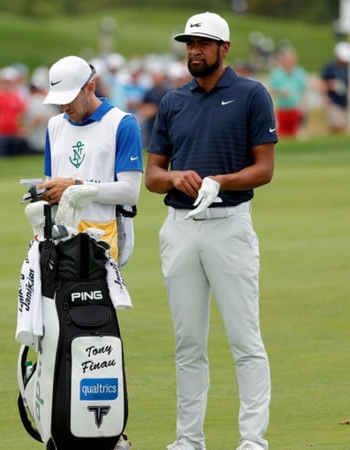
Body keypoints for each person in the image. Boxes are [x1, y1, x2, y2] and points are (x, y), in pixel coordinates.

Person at [145, 12, 276, 450]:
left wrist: (220, 180)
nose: (194, 51)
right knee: (187, 344)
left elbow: (264, 169)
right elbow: (152, 175)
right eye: (189, 43)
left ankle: (253, 440)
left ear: (224, 48)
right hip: (180, 228)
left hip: (228, 226)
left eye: (203, 43)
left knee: (245, 339)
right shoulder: (172, 101)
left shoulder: (250, 95)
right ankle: (188, 440)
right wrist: (174, 177)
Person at [38, 55, 143, 265]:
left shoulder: (122, 123)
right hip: (60, 237)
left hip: (104, 236)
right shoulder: (54, 125)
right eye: (59, 100)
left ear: (91, 87)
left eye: (69, 98)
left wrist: (75, 188)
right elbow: (52, 182)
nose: (64, 106)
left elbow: (130, 193)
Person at [268, 48, 308, 138]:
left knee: (296, 134)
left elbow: (303, 91)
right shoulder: (276, 74)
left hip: (295, 109)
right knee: (281, 135)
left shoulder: (300, 73)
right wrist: (281, 92)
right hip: (282, 110)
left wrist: (304, 109)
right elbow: (271, 91)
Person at [321, 41, 350, 134]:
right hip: (333, 102)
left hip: (345, 102)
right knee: (335, 126)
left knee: (344, 126)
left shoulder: (348, 68)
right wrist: (330, 87)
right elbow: (323, 84)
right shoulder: (330, 68)